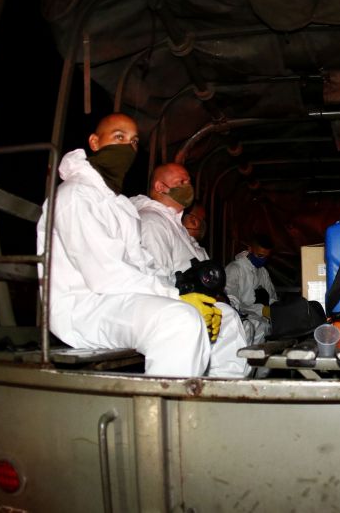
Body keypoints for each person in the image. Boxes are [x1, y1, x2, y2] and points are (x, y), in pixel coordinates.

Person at [36, 113, 217, 377]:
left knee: (211, 319)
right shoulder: (75, 196)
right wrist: (177, 298)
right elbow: (106, 275)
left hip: (118, 299)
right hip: (85, 308)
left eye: (133, 142)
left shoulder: (120, 205)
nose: (127, 148)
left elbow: (144, 266)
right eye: (118, 137)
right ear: (95, 143)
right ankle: (159, 415)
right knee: (179, 322)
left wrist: (181, 294)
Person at [131, 163, 251, 378]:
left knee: (228, 317)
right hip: (169, 306)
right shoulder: (152, 222)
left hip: (191, 303)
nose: (189, 186)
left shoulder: (175, 226)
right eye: (181, 182)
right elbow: (152, 276)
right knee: (226, 319)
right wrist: (184, 299)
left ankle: (222, 388)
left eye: (189, 181)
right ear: (161, 187)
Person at [225, 234, 278, 338]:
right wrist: (261, 310)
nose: (263, 260)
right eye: (260, 255)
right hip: (243, 323)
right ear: (250, 249)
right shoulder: (234, 269)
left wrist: (275, 309)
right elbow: (230, 302)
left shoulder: (263, 272)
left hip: (263, 323)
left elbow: (272, 297)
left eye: (266, 257)